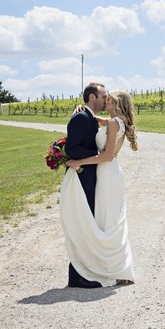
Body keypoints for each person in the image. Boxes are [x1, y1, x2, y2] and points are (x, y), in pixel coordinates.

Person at [59, 89, 138, 288]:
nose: (105, 100)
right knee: (108, 221)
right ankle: (115, 268)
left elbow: (107, 156)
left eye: (108, 99)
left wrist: (79, 161)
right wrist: (81, 108)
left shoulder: (113, 123)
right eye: (104, 97)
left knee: (107, 222)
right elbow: (95, 118)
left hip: (106, 171)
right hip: (108, 173)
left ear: (116, 103)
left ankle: (109, 268)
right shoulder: (114, 121)